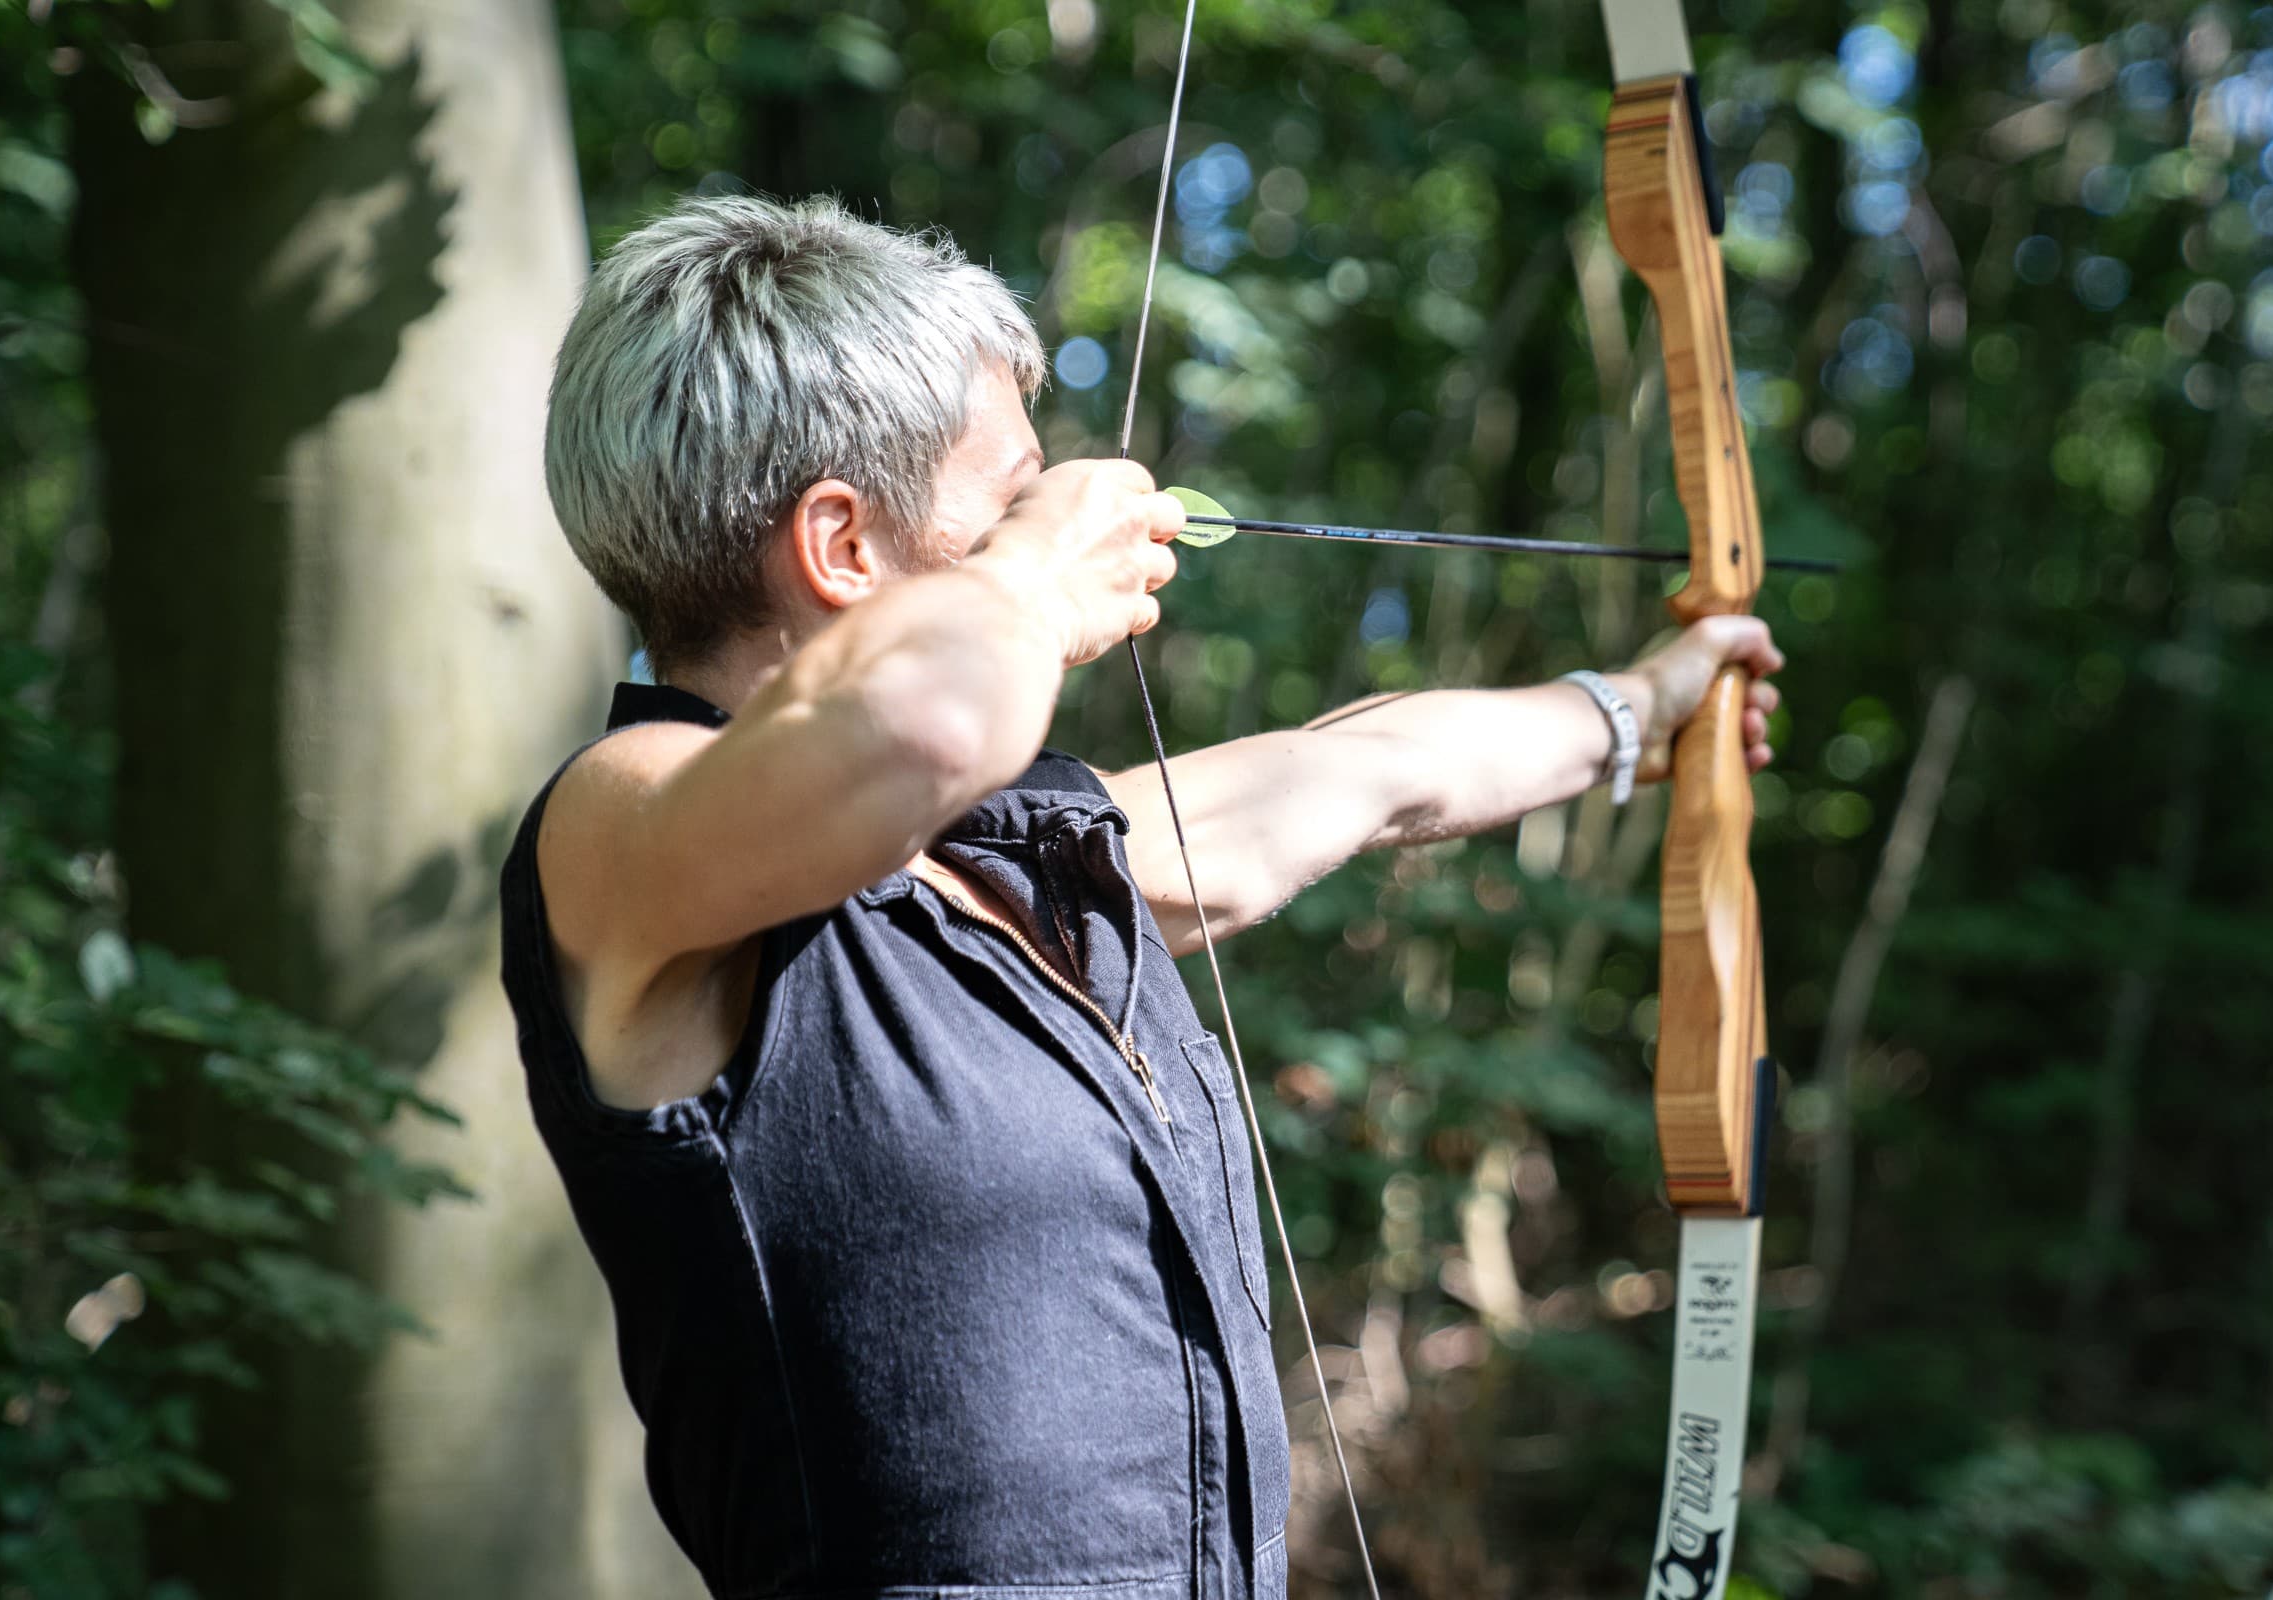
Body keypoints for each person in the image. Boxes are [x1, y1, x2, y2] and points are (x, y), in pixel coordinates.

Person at [499, 194, 1783, 1600]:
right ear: (843, 546)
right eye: (1013, 495)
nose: (1058, 515)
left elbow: (1362, 772)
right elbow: (918, 723)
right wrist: (1038, 576)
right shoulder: (623, 831)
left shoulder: (995, 855)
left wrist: (1642, 709)